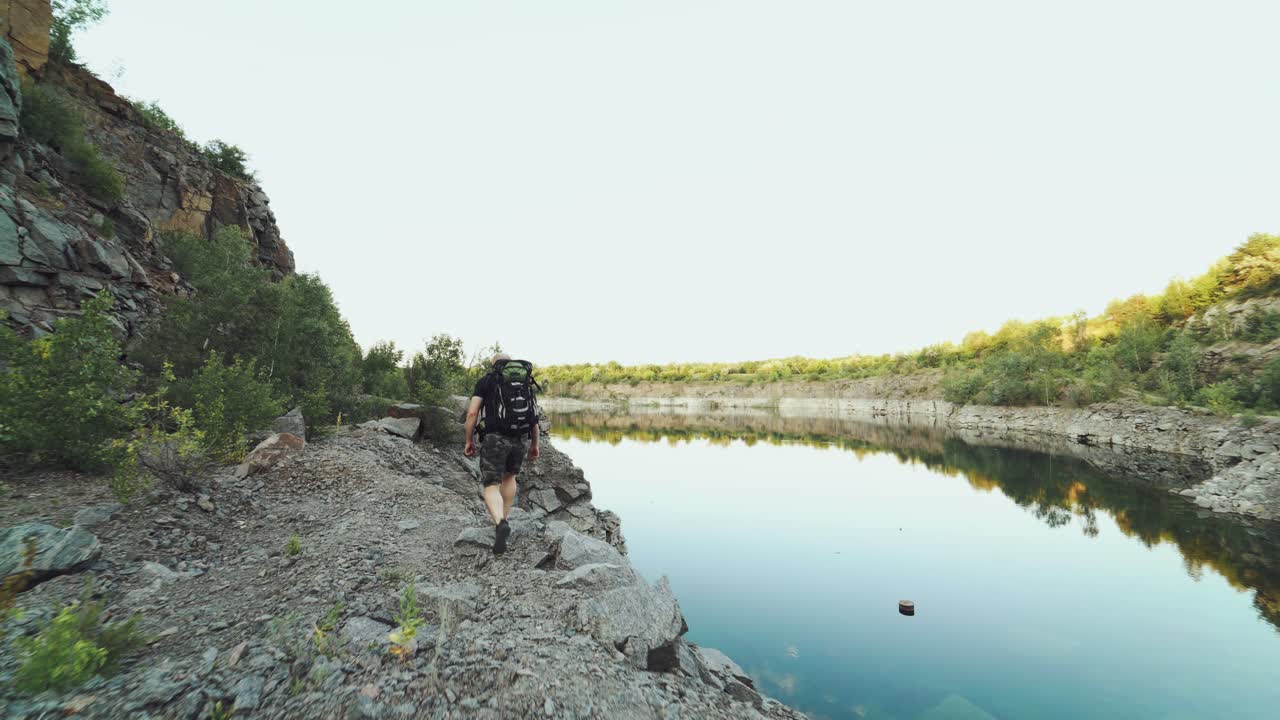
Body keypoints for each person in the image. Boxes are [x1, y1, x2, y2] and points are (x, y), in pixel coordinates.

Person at [463, 353, 540, 554]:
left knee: (491, 484)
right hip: (521, 437)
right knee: (509, 477)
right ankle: (503, 520)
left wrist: (469, 440)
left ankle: (499, 523)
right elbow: (533, 417)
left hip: (495, 438)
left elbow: (472, 413)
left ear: (493, 365)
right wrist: (535, 444)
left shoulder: (487, 381)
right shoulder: (524, 382)